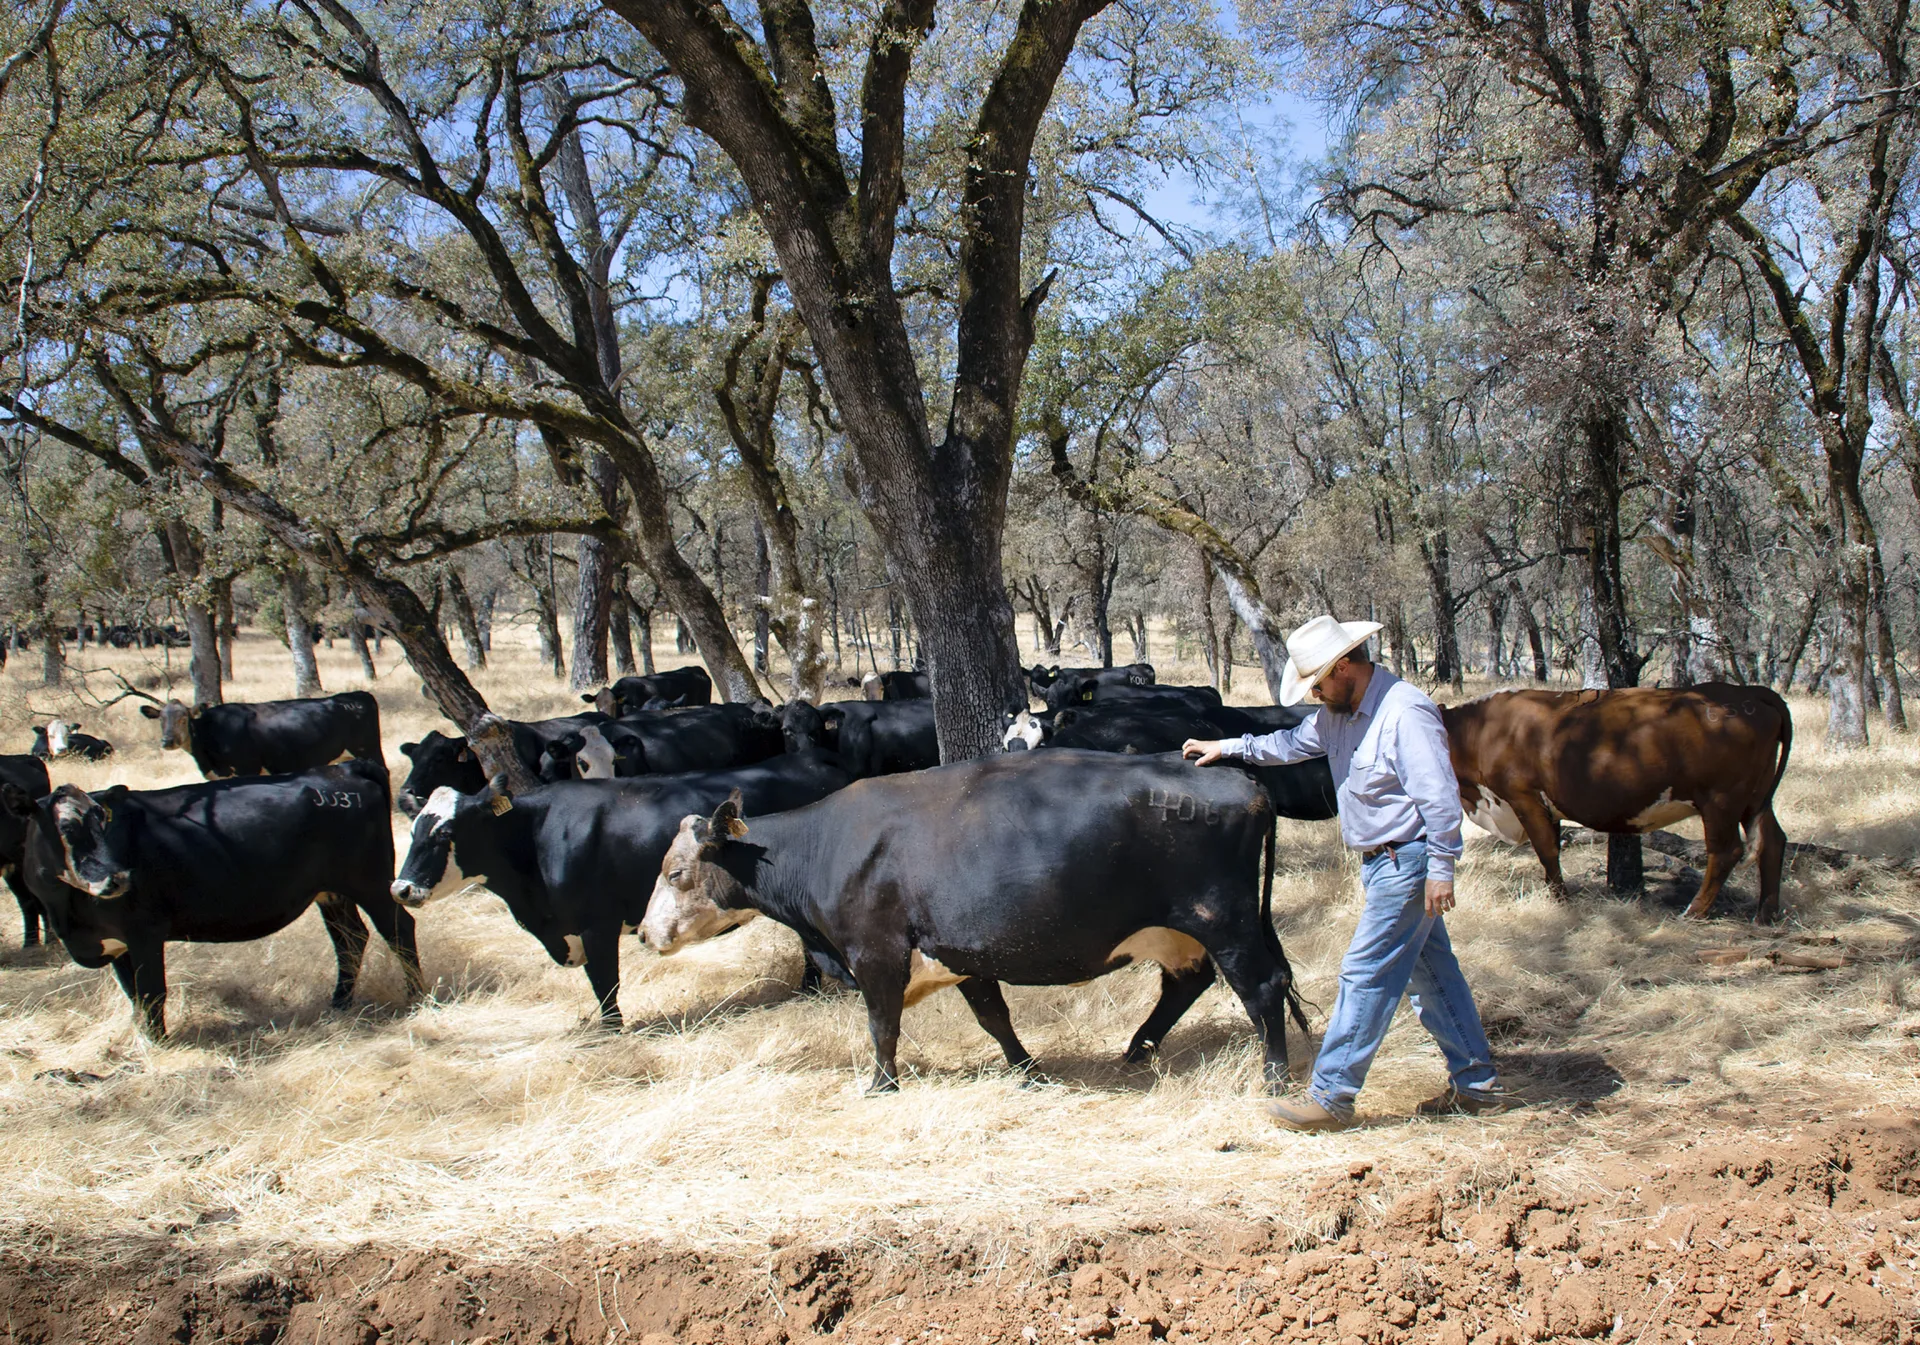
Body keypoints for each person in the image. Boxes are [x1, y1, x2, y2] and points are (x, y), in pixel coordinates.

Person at [1182, 614, 1503, 1131]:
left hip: (1409, 861)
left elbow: (1441, 801)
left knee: (1365, 973)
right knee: (1434, 978)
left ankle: (1332, 1097)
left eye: (1320, 681)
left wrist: (1442, 868)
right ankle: (1478, 1086)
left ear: (1346, 665)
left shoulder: (1405, 712)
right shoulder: (1339, 713)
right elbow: (1288, 744)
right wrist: (1228, 747)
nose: (1315, 694)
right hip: (1383, 864)